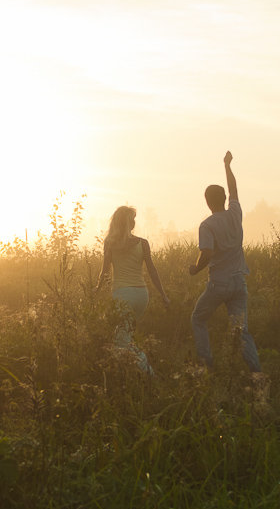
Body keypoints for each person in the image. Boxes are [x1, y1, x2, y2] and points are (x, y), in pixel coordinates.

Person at [188, 151, 263, 375]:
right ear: (223, 200)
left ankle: (206, 363)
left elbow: (208, 254)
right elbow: (234, 189)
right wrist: (227, 165)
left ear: (207, 202)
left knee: (198, 319)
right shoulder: (235, 214)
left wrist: (195, 269)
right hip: (239, 282)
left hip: (218, 284)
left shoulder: (207, 225)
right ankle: (256, 373)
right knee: (241, 331)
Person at [97, 205, 171, 373]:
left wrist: (95, 290)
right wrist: (163, 295)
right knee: (125, 336)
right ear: (128, 223)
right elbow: (152, 271)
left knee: (121, 341)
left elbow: (105, 272)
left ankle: (149, 374)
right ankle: (129, 374)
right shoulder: (142, 243)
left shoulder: (110, 243)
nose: (135, 222)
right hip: (141, 296)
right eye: (133, 219)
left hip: (123, 295)